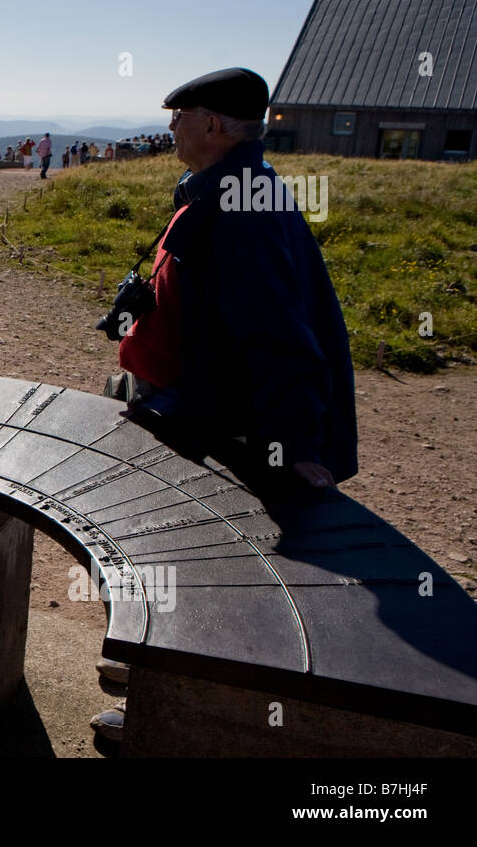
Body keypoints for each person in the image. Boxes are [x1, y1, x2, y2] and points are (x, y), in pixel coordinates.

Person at [89, 67, 358, 743]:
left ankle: (170, 712)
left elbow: (277, 333)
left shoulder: (241, 207)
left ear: (213, 125)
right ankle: (155, 670)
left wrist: (296, 449)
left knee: (197, 566)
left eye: (178, 114)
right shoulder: (230, 186)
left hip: (224, 426)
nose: (170, 125)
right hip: (195, 406)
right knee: (168, 554)